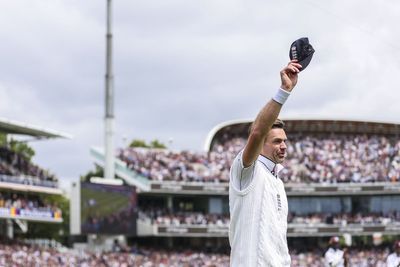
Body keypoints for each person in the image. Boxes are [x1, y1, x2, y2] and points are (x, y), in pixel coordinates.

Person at [229, 60, 302, 266]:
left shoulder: (277, 180)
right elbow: (258, 131)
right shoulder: (247, 171)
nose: (284, 146)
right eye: (277, 141)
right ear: (261, 144)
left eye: (285, 141)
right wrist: (284, 91)